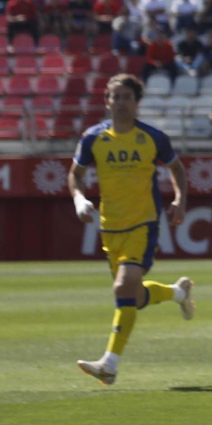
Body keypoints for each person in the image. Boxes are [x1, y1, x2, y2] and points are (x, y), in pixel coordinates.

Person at [69, 74, 197, 385]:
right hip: (110, 227)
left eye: (128, 97)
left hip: (144, 224)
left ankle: (109, 364)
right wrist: (78, 198)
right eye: (116, 96)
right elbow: (75, 173)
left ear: (136, 102)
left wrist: (179, 200)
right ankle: (178, 293)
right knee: (134, 296)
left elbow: (177, 169)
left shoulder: (152, 137)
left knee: (122, 289)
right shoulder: (92, 138)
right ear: (107, 101)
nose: (122, 102)